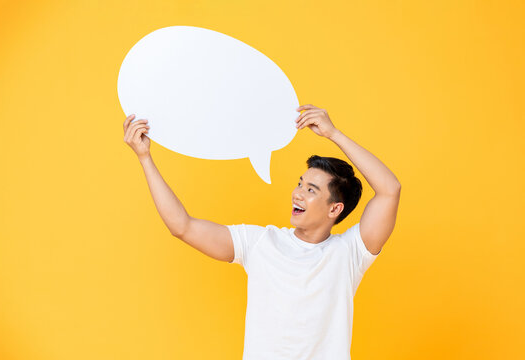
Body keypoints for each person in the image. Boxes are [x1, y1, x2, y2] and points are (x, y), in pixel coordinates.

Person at [123, 104, 401, 360]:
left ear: (334, 209)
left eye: (311, 190)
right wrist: (145, 158)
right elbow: (182, 226)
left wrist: (334, 134)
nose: (298, 194)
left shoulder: (349, 252)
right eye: (300, 184)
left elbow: (390, 190)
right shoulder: (259, 242)